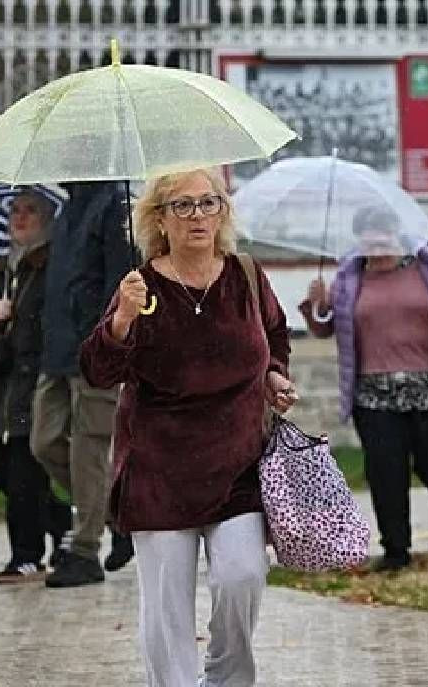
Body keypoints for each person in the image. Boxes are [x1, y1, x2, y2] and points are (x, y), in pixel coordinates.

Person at [79, 168, 296, 687]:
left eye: (208, 203)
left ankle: (225, 680)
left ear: (222, 211)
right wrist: (121, 322)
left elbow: (275, 334)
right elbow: (97, 370)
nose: (197, 215)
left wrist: (275, 375)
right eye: (182, 205)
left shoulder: (245, 274)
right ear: (159, 217)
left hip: (238, 465)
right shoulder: (140, 287)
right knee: (166, 610)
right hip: (159, 472)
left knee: (243, 576)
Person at [299, 206, 428, 572]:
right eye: (369, 235)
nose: (377, 243)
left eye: (384, 234)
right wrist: (317, 305)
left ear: (398, 235)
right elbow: (325, 329)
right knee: (386, 473)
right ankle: (396, 549)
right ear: (359, 241)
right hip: (373, 398)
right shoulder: (349, 279)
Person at [32, 180, 136, 588]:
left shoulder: (114, 208)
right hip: (55, 349)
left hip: (95, 348)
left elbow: (119, 285)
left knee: (89, 448)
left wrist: (107, 338)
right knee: (44, 441)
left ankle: (85, 549)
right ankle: (116, 516)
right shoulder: (66, 211)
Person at [0, 186, 73, 583]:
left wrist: (23, 326)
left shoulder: (53, 268)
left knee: (23, 471)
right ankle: (60, 517)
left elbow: (53, 324)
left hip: (35, 385)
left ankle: (25, 555)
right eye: (14, 210)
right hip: (3, 387)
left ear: (47, 219)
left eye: (29, 210)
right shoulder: (1, 270)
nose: (19, 217)